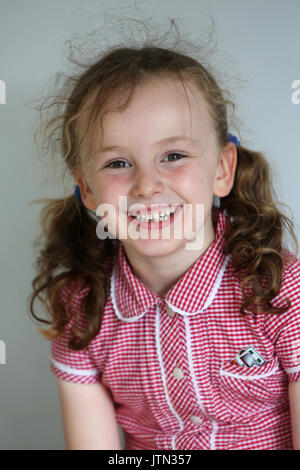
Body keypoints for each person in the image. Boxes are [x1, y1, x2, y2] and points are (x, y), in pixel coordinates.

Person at [29, 40, 300, 450]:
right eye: (118, 163)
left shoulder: (282, 290)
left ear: (222, 170)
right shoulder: (82, 310)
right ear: (86, 188)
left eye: (173, 155)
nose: (147, 185)